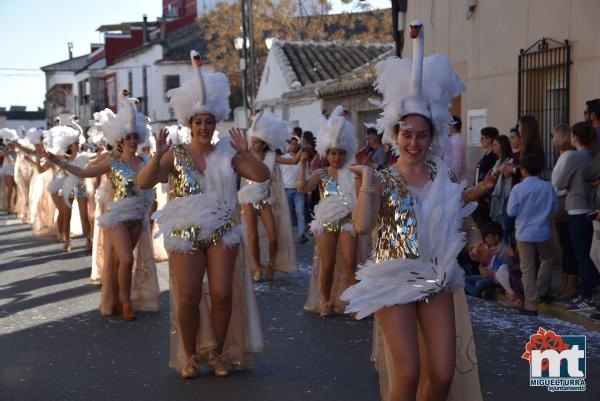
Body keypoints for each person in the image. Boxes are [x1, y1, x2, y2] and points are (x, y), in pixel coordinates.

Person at [341, 20, 491, 401]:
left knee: (441, 373)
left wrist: (474, 243)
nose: (414, 142)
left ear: (432, 137)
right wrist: (368, 185)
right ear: (395, 135)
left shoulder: (442, 175)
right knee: (407, 374)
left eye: (421, 135)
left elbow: (462, 219)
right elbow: (361, 225)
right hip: (393, 277)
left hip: (435, 277)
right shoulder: (384, 178)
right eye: (407, 134)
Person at [138, 51, 268, 379]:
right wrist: (156, 157)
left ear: (216, 122)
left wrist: (245, 153)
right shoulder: (176, 154)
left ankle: (219, 352)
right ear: (189, 123)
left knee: (223, 292)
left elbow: (261, 175)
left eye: (209, 121)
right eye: (198, 122)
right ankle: (189, 354)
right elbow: (144, 182)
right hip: (184, 230)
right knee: (188, 296)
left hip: (222, 228)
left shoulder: (226, 153)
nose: (204, 127)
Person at [48, 92, 159, 322]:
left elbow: (156, 181)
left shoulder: (146, 161)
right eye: (127, 137)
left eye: (134, 137)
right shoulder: (112, 161)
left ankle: (118, 299)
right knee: (126, 259)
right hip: (116, 217)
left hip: (138, 217)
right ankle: (127, 305)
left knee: (122, 262)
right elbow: (85, 172)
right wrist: (60, 162)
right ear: (120, 139)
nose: (131, 141)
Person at [299, 106, 360, 316]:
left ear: (346, 153)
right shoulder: (321, 173)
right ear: (327, 153)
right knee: (327, 265)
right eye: (333, 153)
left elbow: (361, 197)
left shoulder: (353, 173)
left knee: (351, 263)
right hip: (325, 223)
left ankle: (356, 302)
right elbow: (303, 188)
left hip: (347, 221)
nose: (337, 157)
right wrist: (301, 165)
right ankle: (325, 300)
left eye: (341, 153)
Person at [238, 112, 300, 281]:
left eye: (258, 142)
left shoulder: (272, 157)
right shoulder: (246, 156)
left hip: (265, 200)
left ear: (265, 143)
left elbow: (293, 162)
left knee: (273, 236)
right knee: (252, 236)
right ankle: (257, 267)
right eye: (253, 141)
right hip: (248, 200)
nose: (255, 144)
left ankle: (271, 263)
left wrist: (304, 151)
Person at [554, 122, 599, 312]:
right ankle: (587, 293)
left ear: (575, 137)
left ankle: (586, 296)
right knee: (589, 254)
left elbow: (557, 182)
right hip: (590, 208)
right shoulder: (592, 155)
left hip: (576, 208)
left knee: (582, 255)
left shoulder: (573, 156)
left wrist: (566, 184)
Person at [507, 154, 558, 315]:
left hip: (524, 233)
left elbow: (511, 211)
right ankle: (541, 291)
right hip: (543, 231)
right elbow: (554, 210)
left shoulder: (518, 189)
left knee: (527, 268)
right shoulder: (548, 187)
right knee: (547, 259)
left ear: (523, 170)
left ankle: (531, 304)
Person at [551, 124, 580, 301]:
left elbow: (560, 184)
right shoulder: (563, 156)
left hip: (565, 207)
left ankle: (571, 284)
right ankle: (565, 282)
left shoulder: (569, 156)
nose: (552, 139)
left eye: (554, 135)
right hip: (561, 206)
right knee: (565, 246)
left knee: (569, 247)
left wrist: (555, 189)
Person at [280, 134, 308, 243]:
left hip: (299, 190)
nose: (294, 146)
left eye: (296, 144)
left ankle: (301, 234)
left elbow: (306, 173)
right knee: (288, 213)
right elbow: (279, 176)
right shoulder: (284, 158)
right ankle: (288, 235)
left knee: (300, 212)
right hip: (286, 189)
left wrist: (308, 191)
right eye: (292, 144)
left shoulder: (302, 158)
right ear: (289, 145)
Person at [489, 135, 514, 243]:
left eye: (495, 145)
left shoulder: (507, 161)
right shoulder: (498, 160)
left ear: (503, 146)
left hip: (502, 198)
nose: (493, 147)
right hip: (495, 196)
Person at [472, 126, 499, 227]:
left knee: (486, 223)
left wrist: (486, 195)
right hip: (479, 193)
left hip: (485, 196)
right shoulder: (487, 154)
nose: (480, 140)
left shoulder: (493, 156)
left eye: (483, 138)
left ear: (490, 139)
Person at [446, 115, 466, 180]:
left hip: (453, 179)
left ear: (453, 126)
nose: (447, 127)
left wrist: (453, 180)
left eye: (448, 124)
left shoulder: (457, 141)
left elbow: (457, 163)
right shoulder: (452, 138)